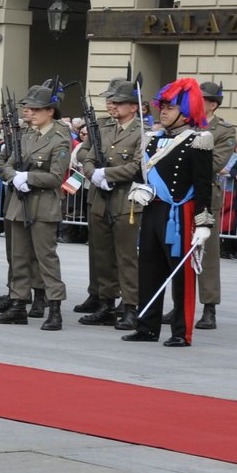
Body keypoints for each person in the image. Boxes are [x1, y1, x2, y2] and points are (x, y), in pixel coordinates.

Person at [122, 78, 216, 347]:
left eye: (170, 107)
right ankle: (147, 327)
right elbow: (144, 174)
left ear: (186, 112)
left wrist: (203, 222)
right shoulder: (151, 139)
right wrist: (138, 188)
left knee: (181, 274)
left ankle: (181, 331)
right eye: (162, 106)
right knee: (149, 269)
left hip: (180, 214)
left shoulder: (198, 140)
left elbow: (202, 185)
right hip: (153, 210)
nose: (162, 111)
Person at [0, 81, 74, 329]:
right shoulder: (24, 136)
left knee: (45, 258)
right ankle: (18, 304)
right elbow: (1, 163)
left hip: (43, 205)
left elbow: (57, 177)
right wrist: (13, 176)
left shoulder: (60, 140)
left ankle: (55, 308)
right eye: (29, 108)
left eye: (37, 109)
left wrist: (28, 177)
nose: (32, 113)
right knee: (18, 257)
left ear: (50, 111)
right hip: (19, 203)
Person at [77, 79, 144, 329]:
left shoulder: (142, 132)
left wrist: (106, 175)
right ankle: (105, 302)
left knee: (126, 257)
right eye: (110, 102)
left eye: (118, 102)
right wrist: (93, 173)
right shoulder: (105, 129)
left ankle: (130, 306)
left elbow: (138, 166)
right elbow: (89, 156)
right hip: (100, 200)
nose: (111, 105)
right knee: (102, 254)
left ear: (133, 107)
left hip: (126, 201)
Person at [192, 81, 236, 330]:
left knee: (206, 254)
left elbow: (215, 162)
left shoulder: (224, 131)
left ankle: (209, 308)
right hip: (180, 195)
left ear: (213, 104)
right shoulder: (184, 124)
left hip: (206, 198)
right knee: (177, 252)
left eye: (202, 98)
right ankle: (180, 302)